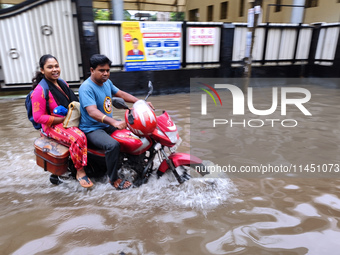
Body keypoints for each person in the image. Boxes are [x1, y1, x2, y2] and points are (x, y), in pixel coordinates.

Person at [78, 54, 153, 190]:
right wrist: (113, 122)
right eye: (101, 70)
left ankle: (136, 163)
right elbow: (92, 112)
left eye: (107, 70)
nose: (105, 73)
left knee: (134, 133)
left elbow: (122, 94)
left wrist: (140, 102)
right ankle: (113, 179)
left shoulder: (107, 83)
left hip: (107, 124)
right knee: (113, 145)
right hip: (92, 128)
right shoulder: (86, 88)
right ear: (92, 70)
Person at [31, 54, 93, 188]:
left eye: (56, 66)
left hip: (69, 118)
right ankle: (80, 171)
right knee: (78, 137)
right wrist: (62, 119)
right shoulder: (39, 91)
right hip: (52, 125)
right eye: (50, 67)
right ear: (42, 70)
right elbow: (38, 117)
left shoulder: (62, 83)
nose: (55, 69)